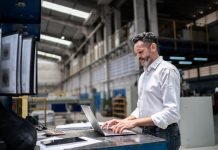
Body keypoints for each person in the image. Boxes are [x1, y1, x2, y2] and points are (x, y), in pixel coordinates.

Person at [102, 32, 181, 150]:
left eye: (140, 52)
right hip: (147, 130)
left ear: (153, 47)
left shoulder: (167, 71)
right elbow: (141, 108)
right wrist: (123, 121)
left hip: (165, 133)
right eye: (136, 53)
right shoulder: (144, 75)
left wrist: (135, 123)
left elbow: (172, 112)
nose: (138, 57)